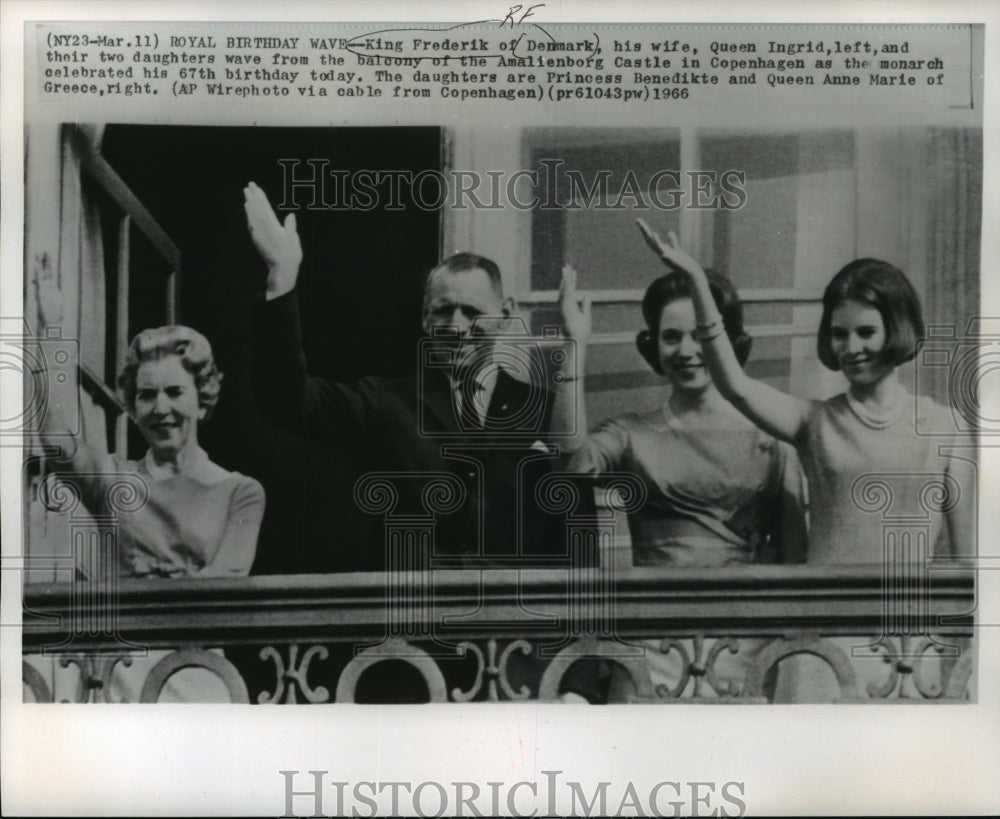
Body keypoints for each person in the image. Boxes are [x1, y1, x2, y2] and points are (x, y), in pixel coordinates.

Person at [243, 182, 601, 701]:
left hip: (515, 667)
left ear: (506, 314)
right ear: (424, 319)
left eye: (472, 313)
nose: (455, 326)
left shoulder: (547, 413)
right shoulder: (386, 402)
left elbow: (576, 545)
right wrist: (283, 276)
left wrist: (577, 679)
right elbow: (286, 401)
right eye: (442, 312)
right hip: (407, 666)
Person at [635, 221, 975, 700]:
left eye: (865, 332)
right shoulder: (812, 422)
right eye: (839, 334)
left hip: (909, 648)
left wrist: (967, 665)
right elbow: (732, 381)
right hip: (821, 646)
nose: (851, 347)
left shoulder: (946, 427)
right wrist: (695, 281)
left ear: (898, 329)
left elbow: (967, 564)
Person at [561, 263, 808, 700]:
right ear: (653, 345)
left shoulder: (772, 443)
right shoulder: (629, 433)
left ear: (729, 343)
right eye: (671, 337)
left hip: (743, 641)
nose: (686, 350)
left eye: (700, 335)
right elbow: (570, 466)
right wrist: (574, 345)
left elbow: (794, 558)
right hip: (650, 640)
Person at [31, 254, 265, 700]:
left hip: (196, 673)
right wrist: (52, 330)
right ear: (133, 407)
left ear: (203, 399)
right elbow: (59, 440)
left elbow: (220, 590)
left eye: (175, 392)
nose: (161, 409)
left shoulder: (242, 492)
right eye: (146, 396)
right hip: (120, 672)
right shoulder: (114, 480)